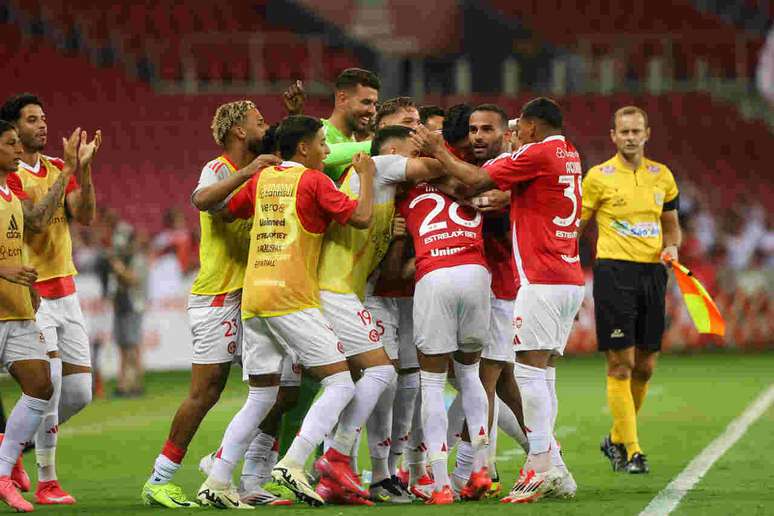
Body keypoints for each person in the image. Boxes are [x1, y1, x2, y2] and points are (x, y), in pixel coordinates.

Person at [195, 115, 374, 508]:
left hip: (254, 298)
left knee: (261, 396)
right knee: (341, 383)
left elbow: (225, 212)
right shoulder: (313, 181)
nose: (327, 151)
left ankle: (218, 480)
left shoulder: (263, 179)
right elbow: (360, 218)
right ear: (304, 148)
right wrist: (368, 176)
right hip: (290, 297)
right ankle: (293, 462)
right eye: (323, 143)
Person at [416, 97, 585, 503]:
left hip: (515, 283)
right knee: (516, 377)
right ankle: (548, 464)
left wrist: (439, 158)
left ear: (520, 128)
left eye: (490, 129)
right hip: (542, 278)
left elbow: (475, 182)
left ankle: (476, 470)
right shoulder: (559, 154)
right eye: (473, 130)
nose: (480, 136)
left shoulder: (524, 159)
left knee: (491, 377)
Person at [141, 100, 282, 509]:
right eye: (259, 121)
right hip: (218, 296)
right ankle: (159, 478)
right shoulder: (220, 168)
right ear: (239, 131)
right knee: (206, 391)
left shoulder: (265, 166)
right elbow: (201, 200)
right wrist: (248, 172)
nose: (265, 125)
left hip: (257, 296)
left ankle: (241, 471)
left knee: (278, 386)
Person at [315, 124, 444, 505]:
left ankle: (332, 475)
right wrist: (434, 146)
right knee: (381, 371)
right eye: (410, 149)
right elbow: (434, 168)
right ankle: (334, 456)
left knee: (349, 380)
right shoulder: (381, 165)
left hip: (345, 291)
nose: (414, 157)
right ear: (390, 149)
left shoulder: (381, 188)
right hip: (333, 290)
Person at [1, 93, 101, 506]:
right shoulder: (10, 177)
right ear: (14, 130)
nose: (42, 125)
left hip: (67, 290)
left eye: (44, 118)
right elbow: (37, 222)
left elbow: (85, 214)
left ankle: (13, 439)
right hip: (32, 292)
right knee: (51, 385)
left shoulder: (60, 168)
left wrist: (85, 169)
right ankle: (47, 481)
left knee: (80, 393)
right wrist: (68, 173)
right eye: (31, 120)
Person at [580, 106, 681, 475]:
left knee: (646, 366)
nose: (630, 137)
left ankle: (616, 439)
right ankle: (634, 451)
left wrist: (672, 246)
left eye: (636, 131)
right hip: (614, 273)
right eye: (624, 131)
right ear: (613, 136)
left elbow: (671, 225)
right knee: (621, 364)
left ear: (647, 133)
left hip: (653, 274)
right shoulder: (597, 177)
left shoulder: (662, 176)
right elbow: (578, 223)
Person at [398, 178, 492, 505]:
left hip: (435, 273)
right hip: (476, 272)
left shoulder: (405, 187)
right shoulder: (468, 181)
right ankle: (481, 468)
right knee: (470, 374)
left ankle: (440, 485)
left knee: (433, 384)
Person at [0, 119, 55, 513]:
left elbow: (13, 250)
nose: (18, 150)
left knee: (41, 383)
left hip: (16, 308)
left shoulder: (11, 195)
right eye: (9, 144)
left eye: (18, 144)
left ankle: (3, 474)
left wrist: (28, 284)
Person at [109, 224, 149, 397]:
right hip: (121, 307)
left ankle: (135, 384)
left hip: (133, 307)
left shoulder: (138, 260)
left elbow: (134, 280)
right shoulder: (121, 259)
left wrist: (119, 269)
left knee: (133, 347)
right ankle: (123, 384)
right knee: (123, 348)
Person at [321, 68, 380, 181]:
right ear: (342, 98)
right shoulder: (318, 129)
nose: (372, 111)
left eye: (375, 104)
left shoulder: (357, 142)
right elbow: (322, 156)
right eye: (366, 102)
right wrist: (381, 143)